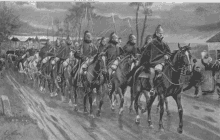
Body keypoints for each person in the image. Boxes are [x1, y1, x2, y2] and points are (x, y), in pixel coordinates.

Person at [131, 25, 172, 95]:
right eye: (159, 33)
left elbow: (169, 52)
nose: (161, 34)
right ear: (156, 33)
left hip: (162, 62)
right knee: (152, 72)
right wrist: (141, 62)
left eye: (162, 33)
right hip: (153, 63)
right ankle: (152, 88)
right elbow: (144, 53)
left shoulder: (165, 43)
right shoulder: (152, 43)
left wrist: (167, 56)